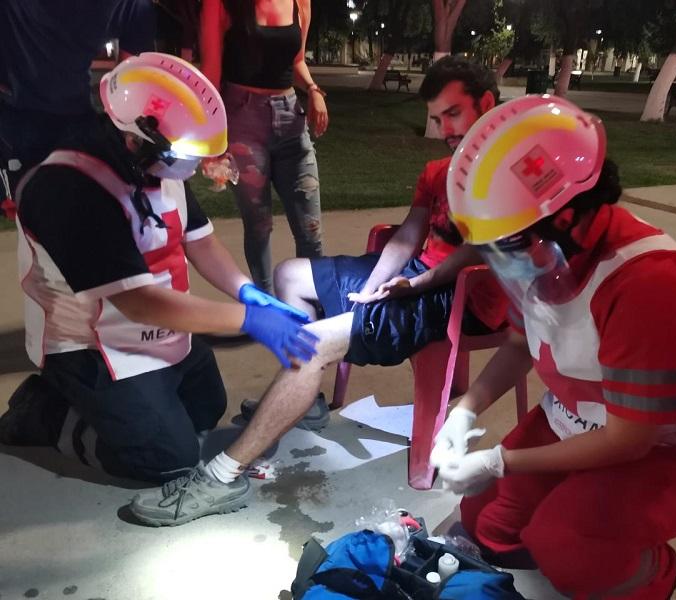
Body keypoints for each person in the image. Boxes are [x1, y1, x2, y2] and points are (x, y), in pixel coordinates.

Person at [128, 56, 510, 527]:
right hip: (412, 276)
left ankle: (223, 475)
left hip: (463, 297)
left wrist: (417, 283)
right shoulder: (438, 170)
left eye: (453, 113)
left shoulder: (506, 175)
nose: (444, 126)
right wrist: (373, 288)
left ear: (487, 104)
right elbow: (409, 236)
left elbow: (481, 253)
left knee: (310, 344)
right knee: (290, 275)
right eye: (437, 116)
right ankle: (305, 400)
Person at [429, 95, 676, 599]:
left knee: (567, 540)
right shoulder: (547, 257)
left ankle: (652, 577)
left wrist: (501, 461)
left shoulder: (653, 282)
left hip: (672, 448)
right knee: (484, 517)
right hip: (575, 420)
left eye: (507, 245)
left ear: (566, 218)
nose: (505, 264)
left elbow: (630, 440)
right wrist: (463, 412)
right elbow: (518, 344)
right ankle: (576, 545)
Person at [0, 53, 318, 485]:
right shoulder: (71, 187)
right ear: (137, 136)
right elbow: (140, 302)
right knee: (167, 461)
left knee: (206, 407)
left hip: (154, 329)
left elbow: (198, 239)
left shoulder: (155, 158)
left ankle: (100, 406)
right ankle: (47, 413)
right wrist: (249, 319)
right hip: (91, 346)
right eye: (189, 153)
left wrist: (245, 290)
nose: (193, 167)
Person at [200, 0, 327, 295]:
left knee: (311, 230)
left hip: (291, 121)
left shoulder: (300, 2)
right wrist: (211, 138)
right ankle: (268, 305)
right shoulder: (219, 4)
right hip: (242, 120)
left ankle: (316, 304)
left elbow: (297, 61)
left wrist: (313, 89)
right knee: (259, 227)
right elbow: (211, 71)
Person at [0, 0, 156, 201]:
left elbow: (131, 79)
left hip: (50, 117)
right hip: (40, 117)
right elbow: (131, 80)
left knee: (52, 207)